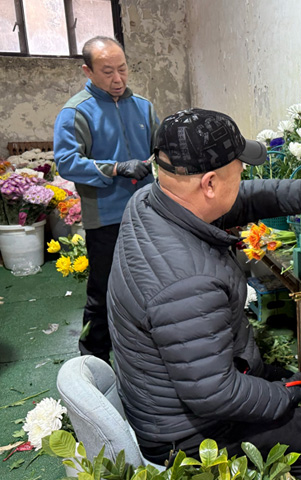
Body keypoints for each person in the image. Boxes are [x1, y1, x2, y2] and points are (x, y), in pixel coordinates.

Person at [107, 108, 301, 479]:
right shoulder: (188, 282)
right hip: (191, 435)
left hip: (162, 399)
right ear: (209, 183)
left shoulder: (150, 203)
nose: (244, 173)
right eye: (238, 167)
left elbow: (244, 198)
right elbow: (213, 393)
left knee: (280, 376)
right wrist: (282, 396)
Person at [54, 36, 157, 362]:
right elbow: (68, 163)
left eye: (122, 69)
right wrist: (114, 168)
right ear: (88, 70)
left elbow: (160, 151)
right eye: (107, 71)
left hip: (148, 211)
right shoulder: (75, 113)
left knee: (150, 284)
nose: (117, 79)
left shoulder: (143, 107)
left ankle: (145, 352)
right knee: (104, 290)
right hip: (106, 217)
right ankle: (94, 359)